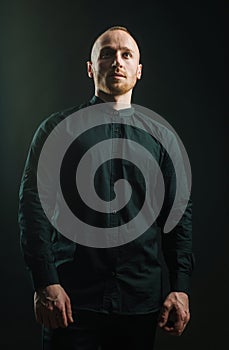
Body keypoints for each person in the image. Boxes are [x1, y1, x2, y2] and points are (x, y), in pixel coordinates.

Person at [18, 26, 194, 349]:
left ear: (138, 71)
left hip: (139, 304)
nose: (117, 61)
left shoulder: (163, 140)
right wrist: (45, 283)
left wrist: (180, 287)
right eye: (107, 54)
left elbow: (178, 217)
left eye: (126, 55)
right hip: (70, 302)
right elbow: (33, 209)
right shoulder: (56, 130)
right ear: (90, 67)